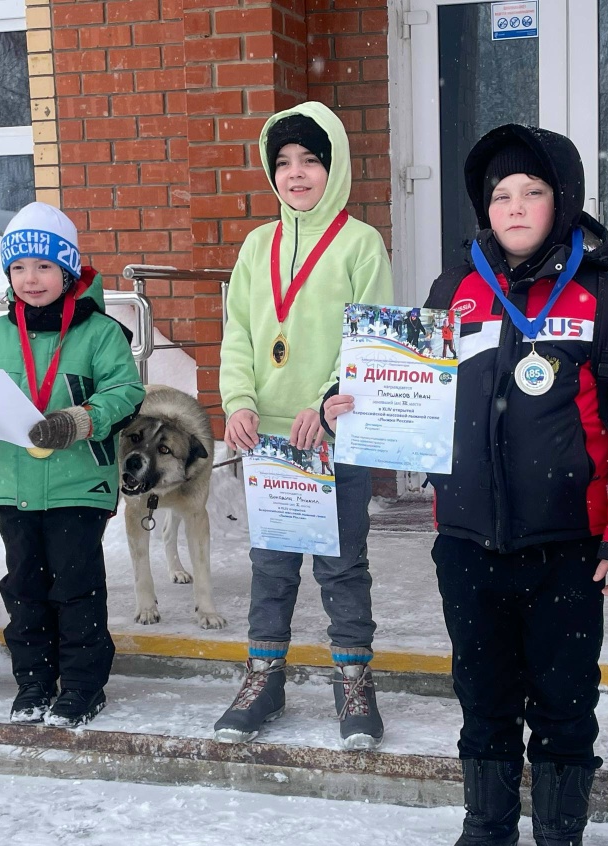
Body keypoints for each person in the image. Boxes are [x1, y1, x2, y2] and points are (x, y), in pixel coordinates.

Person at [333, 124, 608, 846]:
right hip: (467, 543)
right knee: (482, 694)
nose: (515, 206)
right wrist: (346, 402)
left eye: (532, 191)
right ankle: (486, 828)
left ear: (564, 201)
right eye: (500, 195)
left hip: (568, 549)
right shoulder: (452, 292)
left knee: (564, 700)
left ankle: (559, 842)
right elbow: (400, 385)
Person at [216, 102, 393, 750]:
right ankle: (264, 677)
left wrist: (325, 402)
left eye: (310, 160)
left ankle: (354, 681)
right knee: (272, 565)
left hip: (332, 436)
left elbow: (371, 338)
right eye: (284, 162)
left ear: (334, 166)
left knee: (342, 566)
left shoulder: (360, 244)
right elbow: (239, 331)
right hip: (267, 439)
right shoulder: (256, 245)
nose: (295, 173)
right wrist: (238, 401)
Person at [0, 201, 144, 728]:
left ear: (68, 271)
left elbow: (126, 392)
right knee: (24, 589)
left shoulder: (100, 332)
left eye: (43, 266)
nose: (30, 279)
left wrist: (79, 420)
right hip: (14, 483)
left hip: (79, 484)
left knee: (75, 588)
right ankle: (33, 683)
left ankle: (81, 687)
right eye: (18, 268)